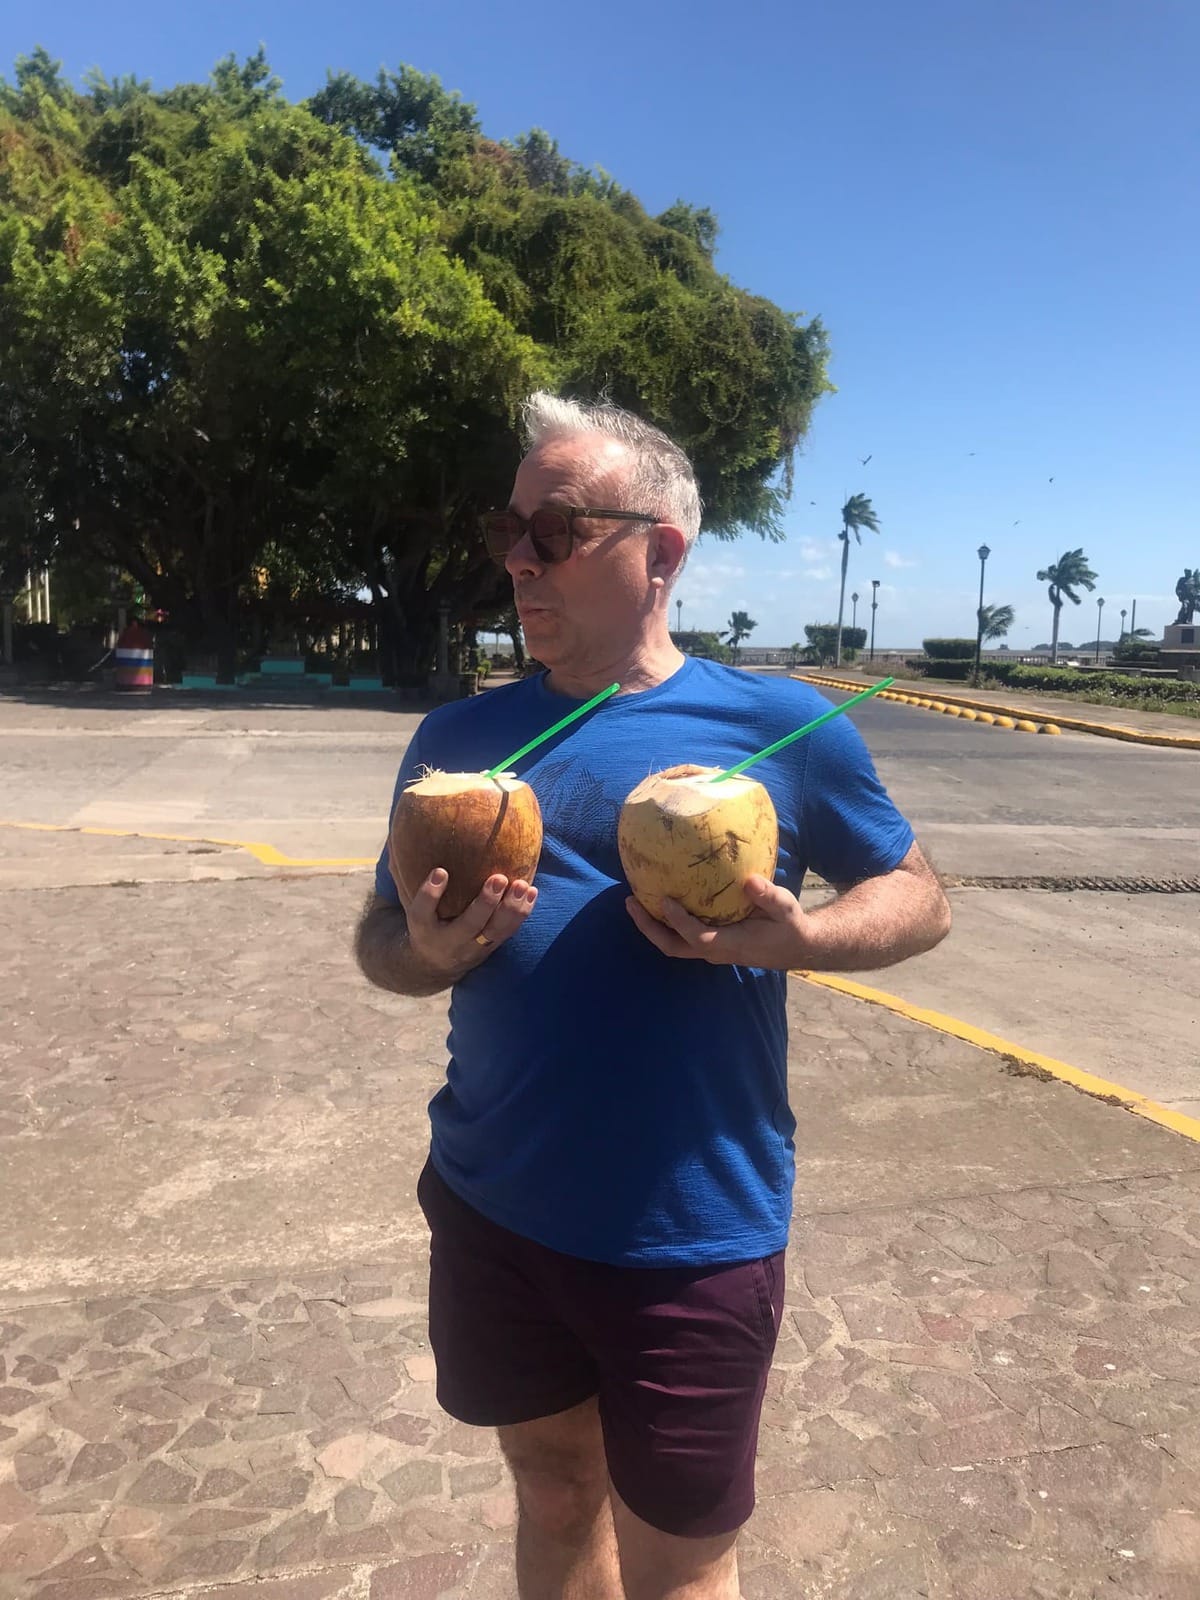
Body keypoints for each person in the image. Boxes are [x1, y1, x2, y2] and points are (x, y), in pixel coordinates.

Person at [355, 393, 951, 1600]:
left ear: (661, 551)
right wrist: (428, 947)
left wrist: (806, 940)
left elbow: (918, 893)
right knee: (555, 1486)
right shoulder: (458, 740)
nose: (518, 558)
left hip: (690, 1233)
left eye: (557, 529)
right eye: (508, 530)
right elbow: (380, 948)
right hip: (494, 1202)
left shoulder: (771, 724)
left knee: (683, 1557)